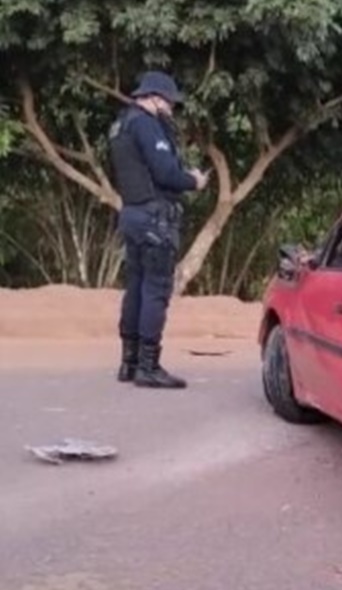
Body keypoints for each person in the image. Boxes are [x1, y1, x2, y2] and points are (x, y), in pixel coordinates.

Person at [108, 71, 209, 389]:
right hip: (155, 218)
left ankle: (129, 362)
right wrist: (193, 180)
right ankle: (148, 366)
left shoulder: (121, 125)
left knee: (136, 286)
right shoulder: (146, 124)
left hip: (133, 214)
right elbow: (166, 172)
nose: (170, 108)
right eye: (168, 101)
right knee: (156, 289)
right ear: (153, 97)